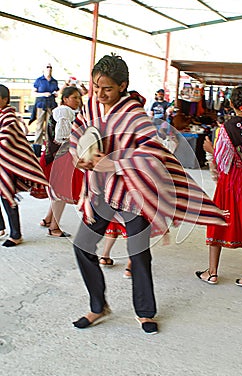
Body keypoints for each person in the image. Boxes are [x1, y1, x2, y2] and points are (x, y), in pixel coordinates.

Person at [69, 54, 226, 335]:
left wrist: (116, 163)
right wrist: (79, 156)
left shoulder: (135, 115)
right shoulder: (91, 106)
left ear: (122, 86)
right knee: (82, 246)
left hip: (134, 193)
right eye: (95, 86)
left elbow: (152, 154)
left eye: (106, 88)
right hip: (100, 191)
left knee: (138, 253)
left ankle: (145, 312)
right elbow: (77, 134)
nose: (100, 94)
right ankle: (97, 305)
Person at [196, 86, 242, 288]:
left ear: (231, 104)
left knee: (218, 222)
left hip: (231, 183)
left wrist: (209, 148)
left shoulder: (227, 128)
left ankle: (212, 273)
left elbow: (221, 162)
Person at [0, 84, 48, 247]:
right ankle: (0, 227)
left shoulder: (9, 117)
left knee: (7, 197)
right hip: (2, 163)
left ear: (4, 100)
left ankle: (16, 234)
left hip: (9, 164)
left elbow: (7, 140)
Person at [39, 86, 83, 237]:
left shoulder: (61, 111)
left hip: (54, 156)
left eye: (79, 98)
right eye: (74, 97)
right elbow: (62, 136)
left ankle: (48, 220)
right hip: (61, 157)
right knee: (60, 192)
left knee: (57, 191)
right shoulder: (65, 111)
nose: (78, 101)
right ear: (65, 99)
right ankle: (54, 228)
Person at [33, 63, 59, 156]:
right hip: (41, 104)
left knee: (50, 126)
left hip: (51, 105)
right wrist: (43, 94)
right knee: (39, 126)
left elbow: (57, 91)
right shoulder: (39, 80)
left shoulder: (54, 81)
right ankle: (37, 149)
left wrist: (56, 93)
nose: (49, 69)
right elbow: (34, 93)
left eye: (51, 67)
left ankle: (48, 148)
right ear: (43, 69)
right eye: (47, 67)